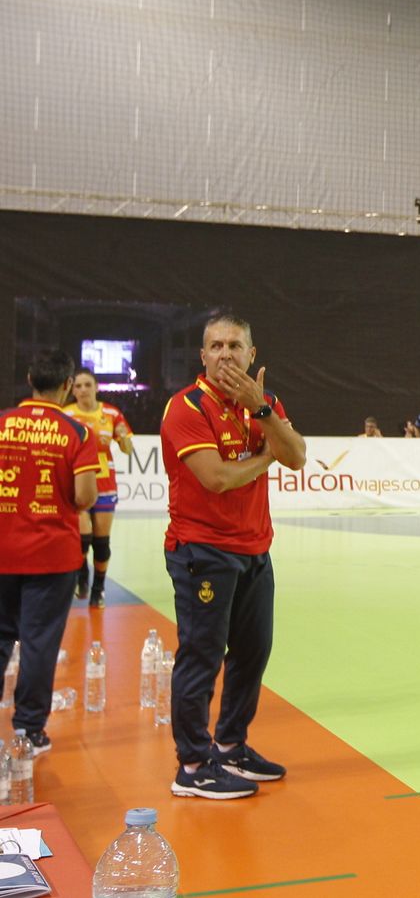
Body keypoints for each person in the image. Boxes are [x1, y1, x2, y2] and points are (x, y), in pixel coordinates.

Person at [161, 313, 307, 800]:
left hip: (254, 550)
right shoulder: (186, 407)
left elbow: (300, 455)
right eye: (216, 345)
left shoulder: (263, 403)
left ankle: (231, 746)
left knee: (253, 652)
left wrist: (261, 411)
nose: (226, 353)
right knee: (202, 656)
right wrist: (268, 456)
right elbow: (218, 478)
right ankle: (194, 765)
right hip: (202, 551)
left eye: (235, 345)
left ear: (252, 353)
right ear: (202, 356)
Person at [0, 351, 99, 755]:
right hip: (51, 556)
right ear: (65, 387)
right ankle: (29, 731)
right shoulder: (76, 432)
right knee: (39, 642)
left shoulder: (2, 423)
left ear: (29, 378)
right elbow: (84, 495)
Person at [64, 369, 134, 607]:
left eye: (87, 385)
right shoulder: (67, 414)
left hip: (104, 483)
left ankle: (98, 589)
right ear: (72, 390)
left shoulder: (111, 413)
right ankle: (82, 576)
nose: (82, 390)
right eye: (78, 386)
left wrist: (123, 438)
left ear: (96, 387)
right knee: (82, 540)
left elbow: (127, 449)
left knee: (101, 544)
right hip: (78, 483)